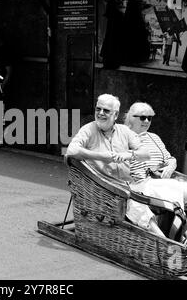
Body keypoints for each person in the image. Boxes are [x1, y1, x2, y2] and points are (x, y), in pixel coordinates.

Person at [65, 94, 169, 238]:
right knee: (137, 206)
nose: (101, 113)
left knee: (168, 197)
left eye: (106, 110)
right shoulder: (89, 129)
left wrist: (129, 155)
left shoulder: (124, 131)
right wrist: (102, 156)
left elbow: (145, 153)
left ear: (115, 114)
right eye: (98, 109)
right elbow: (71, 150)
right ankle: (165, 242)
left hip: (129, 185)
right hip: (105, 188)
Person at [124, 102, 187, 243]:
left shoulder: (154, 137)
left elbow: (170, 159)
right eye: (143, 118)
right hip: (142, 184)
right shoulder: (123, 136)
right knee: (171, 187)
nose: (147, 121)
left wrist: (171, 165)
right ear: (131, 118)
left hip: (161, 181)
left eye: (149, 118)